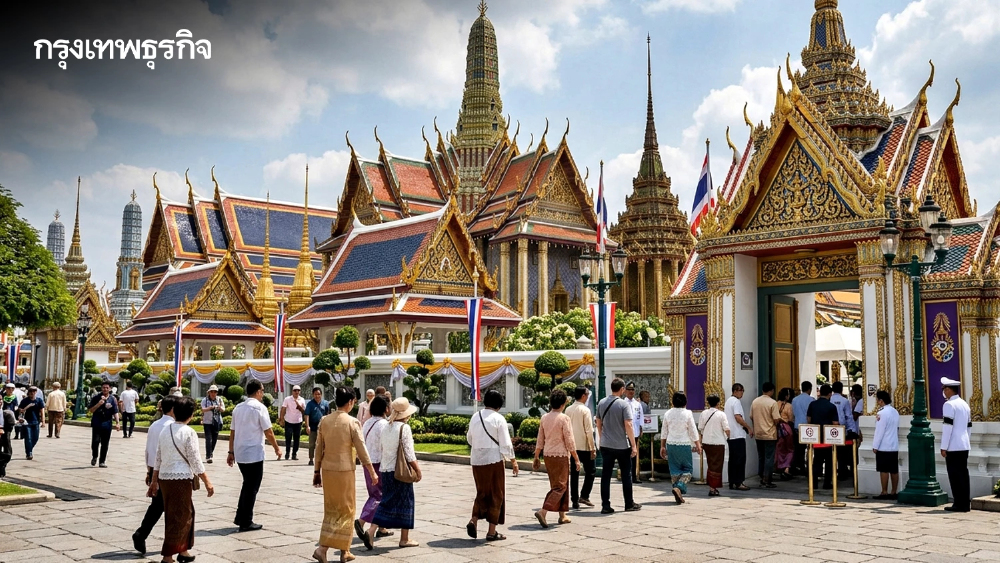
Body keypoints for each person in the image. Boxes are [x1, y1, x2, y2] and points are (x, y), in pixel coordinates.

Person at [313, 387, 378, 563]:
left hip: (328, 470)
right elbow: (361, 449)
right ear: (350, 402)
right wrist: (371, 471)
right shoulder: (352, 422)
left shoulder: (325, 421)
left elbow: (319, 448)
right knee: (347, 510)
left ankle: (343, 549)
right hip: (344, 471)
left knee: (332, 509)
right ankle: (325, 549)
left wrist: (316, 470)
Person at [148, 396, 214, 563]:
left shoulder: (165, 430)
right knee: (179, 517)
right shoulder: (188, 432)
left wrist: (155, 480)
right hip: (180, 479)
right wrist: (207, 481)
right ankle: (167, 556)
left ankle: (183, 549)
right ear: (190, 414)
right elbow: (195, 460)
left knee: (184, 513)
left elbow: (158, 458)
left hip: (165, 479)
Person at [228, 380, 282, 531]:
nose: (263, 394)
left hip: (240, 452)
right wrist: (276, 448)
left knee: (247, 484)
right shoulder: (260, 408)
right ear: (258, 392)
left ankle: (241, 516)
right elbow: (268, 431)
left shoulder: (238, 408)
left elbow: (232, 432)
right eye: (262, 391)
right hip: (254, 453)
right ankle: (246, 521)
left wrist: (230, 451)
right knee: (252, 487)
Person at [466, 389, 517, 541]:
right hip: (493, 460)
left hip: (476, 460)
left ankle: (474, 519)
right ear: (499, 404)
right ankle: (491, 531)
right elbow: (506, 443)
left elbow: (470, 438)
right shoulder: (498, 419)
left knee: (481, 492)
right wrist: (513, 461)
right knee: (496, 494)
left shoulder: (476, 416)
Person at [372, 397, 421, 549]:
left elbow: (382, 448)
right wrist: (417, 469)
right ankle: (404, 538)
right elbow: (409, 453)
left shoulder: (386, 427)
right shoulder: (404, 428)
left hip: (385, 470)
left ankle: (371, 530)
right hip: (400, 472)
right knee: (407, 502)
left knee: (386, 501)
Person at [133, 395, 177, 556]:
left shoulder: (154, 425)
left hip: (154, 469)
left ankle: (141, 534)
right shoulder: (173, 427)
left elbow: (148, 451)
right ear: (173, 409)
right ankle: (173, 542)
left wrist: (149, 471)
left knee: (158, 507)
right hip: (168, 471)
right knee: (172, 508)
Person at [533, 389, 580, 528]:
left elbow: (540, 438)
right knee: (561, 486)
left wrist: (536, 455)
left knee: (558, 485)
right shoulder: (564, 418)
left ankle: (562, 515)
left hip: (548, 455)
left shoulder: (544, 417)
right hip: (560, 456)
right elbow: (569, 440)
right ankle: (543, 511)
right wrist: (576, 458)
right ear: (563, 403)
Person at [595, 378, 641, 514]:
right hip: (621, 445)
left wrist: (602, 436)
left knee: (606, 475)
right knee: (626, 474)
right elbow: (628, 425)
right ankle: (628, 502)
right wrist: (633, 445)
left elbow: (598, 422)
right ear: (622, 389)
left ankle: (605, 505)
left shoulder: (601, 402)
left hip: (606, 444)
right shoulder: (623, 405)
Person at [357, 395, 390, 544]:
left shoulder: (367, 423)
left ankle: (382, 527)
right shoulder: (384, 424)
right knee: (379, 496)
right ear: (385, 408)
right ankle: (362, 521)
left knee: (374, 494)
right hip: (379, 464)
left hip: (367, 463)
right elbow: (386, 446)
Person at [659, 392, 701, 504]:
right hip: (684, 444)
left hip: (671, 444)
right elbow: (692, 430)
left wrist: (662, 446)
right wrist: (698, 444)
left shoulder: (668, 413)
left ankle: (678, 492)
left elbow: (664, 432)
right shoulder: (687, 413)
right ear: (685, 402)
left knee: (675, 470)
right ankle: (679, 487)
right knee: (688, 470)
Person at [941, 377, 971, 512]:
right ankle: (965, 503)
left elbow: (947, 428)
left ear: (948, 390)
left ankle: (958, 503)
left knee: (954, 475)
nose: (944, 392)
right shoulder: (965, 404)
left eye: (944, 389)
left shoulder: (949, 405)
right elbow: (969, 426)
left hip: (953, 445)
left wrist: (943, 446)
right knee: (963, 475)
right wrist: (966, 440)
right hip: (964, 444)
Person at [566, 386, 596, 509]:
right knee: (591, 472)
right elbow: (589, 430)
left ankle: (574, 500)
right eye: (587, 394)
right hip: (584, 446)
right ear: (583, 395)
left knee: (574, 473)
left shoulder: (568, 409)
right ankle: (584, 495)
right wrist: (592, 447)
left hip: (572, 446)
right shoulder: (585, 410)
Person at [806, 384, 840, 489]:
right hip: (828, 437)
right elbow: (835, 423)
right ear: (830, 394)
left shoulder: (813, 404)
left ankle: (814, 483)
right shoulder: (832, 406)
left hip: (816, 436)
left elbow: (808, 420)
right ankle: (827, 483)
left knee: (817, 460)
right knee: (829, 461)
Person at [750, 382, 780, 488]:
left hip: (758, 433)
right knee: (769, 457)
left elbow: (751, 416)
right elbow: (776, 419)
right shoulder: (772, 403)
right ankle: (767, 479)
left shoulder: (755, 402)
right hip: (769, 433)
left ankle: (761, 476)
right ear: (771, 391)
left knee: (761, 456)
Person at [698, 394, 729, 496]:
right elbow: (727, 429)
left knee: (711, 464)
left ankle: (712, 486)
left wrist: (700, 442)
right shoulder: (721, 414)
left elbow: (701, 428)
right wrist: (727, 437)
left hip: (707, 442)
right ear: (718, 403)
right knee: (717, 466)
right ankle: (713, 487)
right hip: (718, 442)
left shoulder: (704, 413)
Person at [871, 390, 899, 500]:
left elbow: (879, 431)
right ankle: (893, 492)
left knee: (884, 470)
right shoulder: (895, 411)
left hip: (884, 445)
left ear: (881, 401)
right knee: (893, 470)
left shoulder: (881, 413)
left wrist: (875, 445)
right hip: (894, 444)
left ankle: (884, 491)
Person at [724, 383, 752, 490]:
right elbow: (738, 417)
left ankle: (732, 480)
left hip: (731, 435)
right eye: (741, 390)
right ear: (735, 391)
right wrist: (748, 427)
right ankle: (739, 482)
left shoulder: (728, 401)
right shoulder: (736, 402)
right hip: (738, 434)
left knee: (733, 459)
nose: (742, 393)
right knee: (740, 459)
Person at [88, 382, 121, 467]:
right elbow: (91, 410)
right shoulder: (96, 398)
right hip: (97, 423)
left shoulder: (112, 399)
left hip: (107, 424)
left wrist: (117, 422)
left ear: (110, 389)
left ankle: (102, 461)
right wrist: (99, 404)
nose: (105, 389)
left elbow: (115, 411)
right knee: (95, 442)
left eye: (107, 388)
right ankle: (94, 456)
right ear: (101, 388)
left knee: (105, 443)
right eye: (103, 387)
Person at [830, 381, 855, 479]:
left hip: (829, 428)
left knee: (831, 451)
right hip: (841, 428)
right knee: (841, 453)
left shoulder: (829, 399)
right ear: (841, 389)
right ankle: (842, 471)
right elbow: (848, 416)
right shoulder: (844, 401)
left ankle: (831, 472)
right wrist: (852, 429)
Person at [791, 381, 814, 475]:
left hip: (797, 426)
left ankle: (799, 466)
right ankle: (808, 467)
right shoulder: (811, 400)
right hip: (808, 427)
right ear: (809, 389)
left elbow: (793, 413)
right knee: (809, 448)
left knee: (798, 449)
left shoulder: (795, 399)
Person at [623, 382, 644, 483]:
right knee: (626, 455)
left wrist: (641, 428)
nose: (631, 392)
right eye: (629, 390)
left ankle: (634, 477)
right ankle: (626, 476)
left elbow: (641, 417)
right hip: (625, 433)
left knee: (634, 455)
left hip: (635, 432)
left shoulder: (637, 404)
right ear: (625, 391)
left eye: (632, 390)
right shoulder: (623, 403)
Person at [279, 385, 306, 461]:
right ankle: (287, 453)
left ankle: (294, 454)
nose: (296, 392)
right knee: (288, 438)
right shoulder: (287, 399)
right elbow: (283, 409)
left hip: (298, 421)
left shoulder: (302, 400)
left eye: (298, 390)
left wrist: (299, 407)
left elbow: (304, 412)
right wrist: (281, 419)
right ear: (292, 391)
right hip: (289, 421)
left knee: (297, 438)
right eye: (295, 390)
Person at [305, 387, 331, 466]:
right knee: (312, 444)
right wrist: (307, 426)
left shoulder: (325, 403)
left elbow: (328, 414)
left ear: (321, 395)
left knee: (323, 444)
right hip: (313, 426)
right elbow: (306, 415)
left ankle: (323, 459)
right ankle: (311, 459)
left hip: (323, 427)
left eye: (319, 394)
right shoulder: (310, 404)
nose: (317, 396)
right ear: (313, 395)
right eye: (315, 394)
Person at [18, 386, 44, 460]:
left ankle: (29, 449)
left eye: (34, 391)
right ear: (28, 392)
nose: (32, 393)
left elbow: (42, 411)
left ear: (36, 392)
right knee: (28, 438)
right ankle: (29, 453)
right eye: (31, 391)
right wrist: (27, 407)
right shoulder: (25, 401)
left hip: (36, 421)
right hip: (27, 422)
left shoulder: (39, 400)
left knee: (35, 438)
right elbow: (20, 410)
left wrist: (43, 421)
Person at [773, 387, 795, 480]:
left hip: (777, 428)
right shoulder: (788, 405)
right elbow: (790, 419)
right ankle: (786, 468)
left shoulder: (775, 404)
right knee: (790, 449)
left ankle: (778, 467)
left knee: (779, 448)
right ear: (786, 396)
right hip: (786, 428)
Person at [200, 385, 225, 463]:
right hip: (207, 422)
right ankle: (208, 456)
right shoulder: (205, 400)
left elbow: (223, 409)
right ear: (209, 392)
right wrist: (210, 408)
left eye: (215, 392)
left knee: (214, 439)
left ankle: (211, 453)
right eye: (212, 392)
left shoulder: (219, 400)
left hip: (216, 422)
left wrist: (219, 408)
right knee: (208, 439)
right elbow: (203, 409)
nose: (213, 393)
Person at [0, 395, 15, 478]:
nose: (0, 401)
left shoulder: (5, 412)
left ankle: (2, 465)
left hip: (5, 435)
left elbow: (11, 424)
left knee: (8, 454)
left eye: (1, 400)